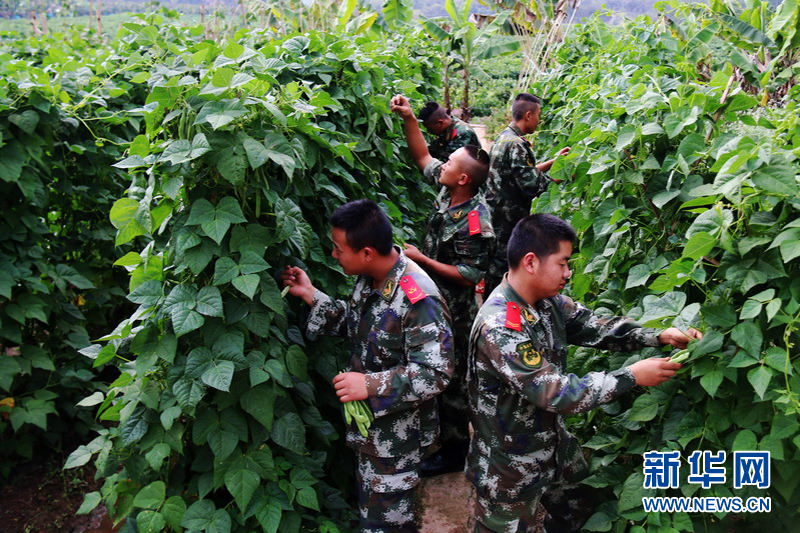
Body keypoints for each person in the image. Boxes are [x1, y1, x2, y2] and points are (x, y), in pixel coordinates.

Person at [466, 213, 702, 532]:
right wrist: (631, 376)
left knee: (581, 512)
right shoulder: (501, 327)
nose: (568, 272)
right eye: (562, 263)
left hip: (552, 444)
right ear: (531, 262)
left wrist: (657, 335)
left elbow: (596, 327)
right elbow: (555, 392)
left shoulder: (547, 303)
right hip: (510, 463)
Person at [281, 199, 454, 532]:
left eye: (338, 249)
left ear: (367, 253)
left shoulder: (419, 299)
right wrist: (312, 295)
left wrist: (369, 384)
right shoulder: (371, 279)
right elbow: (361, 326)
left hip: (398, 440)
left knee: (387, 524)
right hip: (374, 433)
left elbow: (436, 372)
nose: (334, 255)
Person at [391, 94, 496, 476]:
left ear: (464, 178)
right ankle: (437, 434)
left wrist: (422, 260)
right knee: (427, 363)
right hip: (431, 300)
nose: (443, 162)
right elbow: (422, 157)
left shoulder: (475, 220)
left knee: (451, 378)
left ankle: (456, 450)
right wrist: (408, 119)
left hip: (454, 307)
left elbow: (471, 276)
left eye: (450, 162)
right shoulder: (450, 188)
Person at [484, 93, 571, 295]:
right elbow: (531, 184)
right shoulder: (518, 144)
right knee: (503, 274)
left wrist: (553, 162)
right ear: (529, 115)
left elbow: (519, 173)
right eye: (539, 115)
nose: (539, 121)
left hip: (495, 217)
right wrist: (561, 174)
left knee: (495, 269)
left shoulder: (504, 138)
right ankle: (499, 316)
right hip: (507, 221)